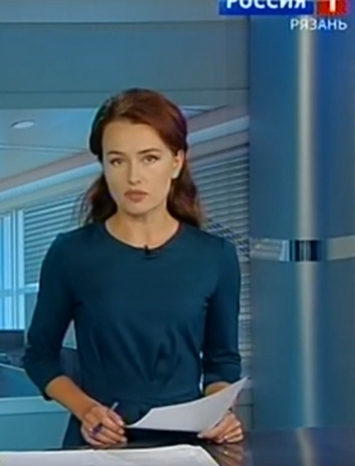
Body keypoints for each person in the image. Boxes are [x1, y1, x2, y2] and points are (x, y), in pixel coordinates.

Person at [22, 88, 243, 449]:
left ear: (176, 162)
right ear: (104, 166)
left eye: (149, 158)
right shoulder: (71, 254)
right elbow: (39, 357)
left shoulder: (215, 256)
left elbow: (222, 361)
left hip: (184, 447)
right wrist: (87, 410)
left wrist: (220, 413)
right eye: (117, 161)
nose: (133, 177)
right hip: (100, 442)